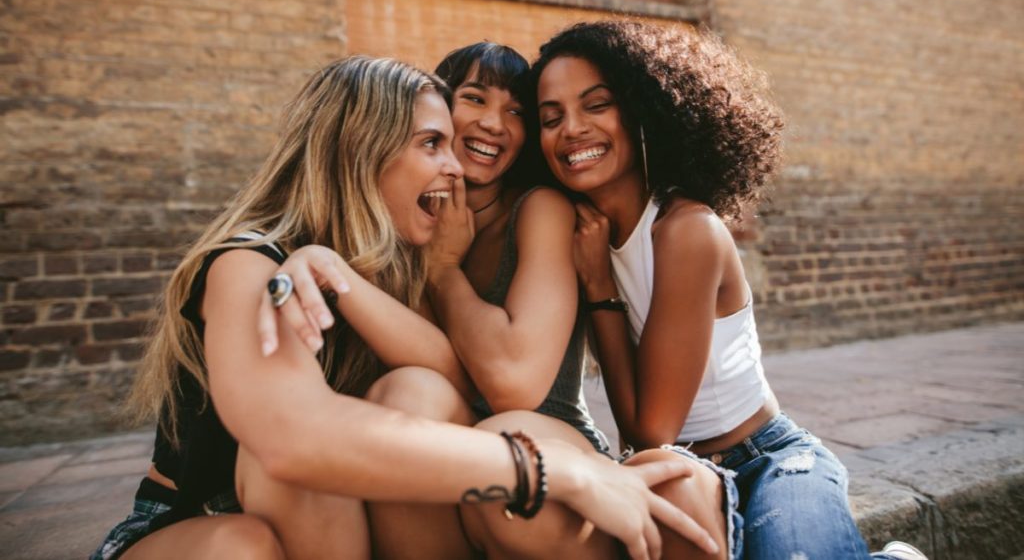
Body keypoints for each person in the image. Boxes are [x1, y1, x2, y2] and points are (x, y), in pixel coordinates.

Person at [90, 55, 718, 560]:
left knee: (414, 388)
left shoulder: (380, 263)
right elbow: (293, 442)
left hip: (321, 521)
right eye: (431, 143)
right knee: (246, 541)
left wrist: (342, 276)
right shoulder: (248, 264)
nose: (455, 166)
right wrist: (558, 473)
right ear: (362, 148)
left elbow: (455, 382)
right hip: (205, 517)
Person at [528, 20, 926, 560]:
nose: (571, 128)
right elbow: (642, 443)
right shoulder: (584, 235)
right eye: (550, 118)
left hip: (769, 460)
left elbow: (649, 430)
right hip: (683, 471)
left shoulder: (685, 229)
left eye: (596, 105)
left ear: (645, 110)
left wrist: (600, 287)